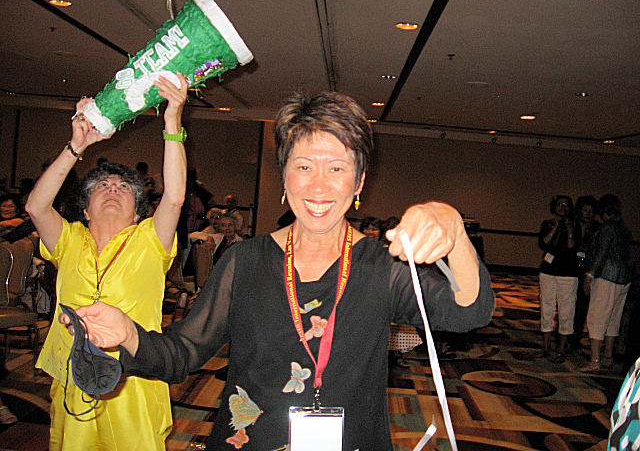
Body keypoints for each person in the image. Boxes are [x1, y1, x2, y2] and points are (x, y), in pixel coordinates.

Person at [62, 91, 494, 451]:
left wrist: (453, 227)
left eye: (337, 168)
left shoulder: (383, 268)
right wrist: (128, 333)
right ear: (284, 178)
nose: (319, 186)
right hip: (249, 440)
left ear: (359, 182)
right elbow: (183, 353)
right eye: (303, 167)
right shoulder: (245, 261)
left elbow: (468, 311)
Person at [25, 73, 188, 450]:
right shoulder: (69, 239)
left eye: (124, 187)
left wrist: (172, 121)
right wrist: (76, 146)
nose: (113, 188)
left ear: (137, 213)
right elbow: (36, 206)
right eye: (102, 185)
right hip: (75, 370)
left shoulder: (149, 239)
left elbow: (175, 198)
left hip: (135, 375)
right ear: (85, 209)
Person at [581, 194, 633, 372]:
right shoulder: (624, 228)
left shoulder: (608, 228)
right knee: (613, 319)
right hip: (623, 278)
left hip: (607, 277)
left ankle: (595, 360)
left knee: (597, 317)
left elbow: (602, 253)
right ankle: (608, 357)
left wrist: (590, 274)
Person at [537, 195, 580, 362]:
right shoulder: (547, 224)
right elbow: (543, 243)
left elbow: (572, 246)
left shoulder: (575, 226)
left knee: (566, 310)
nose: (562, 207)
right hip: (548, 271)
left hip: (568, 273)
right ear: (554, 206)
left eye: (566, 205)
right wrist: (554, 228)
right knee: (546, 307)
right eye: (560, 204)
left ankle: (561, 349)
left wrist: (569, 230)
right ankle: (546, 347)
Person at [569, 195, 600, 351]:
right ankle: (564, 334)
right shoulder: (572, 224)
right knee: (567, 302)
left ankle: (576, 337)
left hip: (587, 269)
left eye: (591, 211)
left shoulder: (597, 228)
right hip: (570, 267)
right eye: (585, 210)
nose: (588, 214)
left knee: (582, 305)